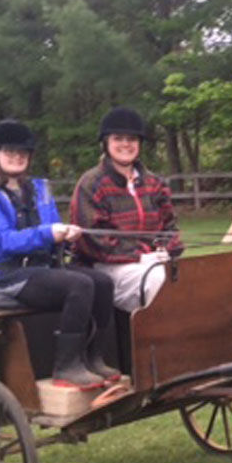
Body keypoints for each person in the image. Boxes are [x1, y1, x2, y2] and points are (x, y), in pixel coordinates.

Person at [0, 119, 121, 390]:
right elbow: (0, 242)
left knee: (102, 282)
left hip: (41, 268)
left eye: (22, 153)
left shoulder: (39, 189)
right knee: (78, 285)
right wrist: (47, 233)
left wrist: (66, 237)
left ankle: (93, 357)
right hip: (2, 275)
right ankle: (66, 367)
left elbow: (50, 231)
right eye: (10, 152)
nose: (17, 158)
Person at [68, 106, 183, 311]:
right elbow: (93, 240)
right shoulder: (91, 183)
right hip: (102, 266)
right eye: (118, 139)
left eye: (131, 139)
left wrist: (167, 248)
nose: (125, 144)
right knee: (154, 276)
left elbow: (170, 226)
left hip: (149, 261)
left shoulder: (154, 183)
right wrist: (140, 255)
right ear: (106, 143)